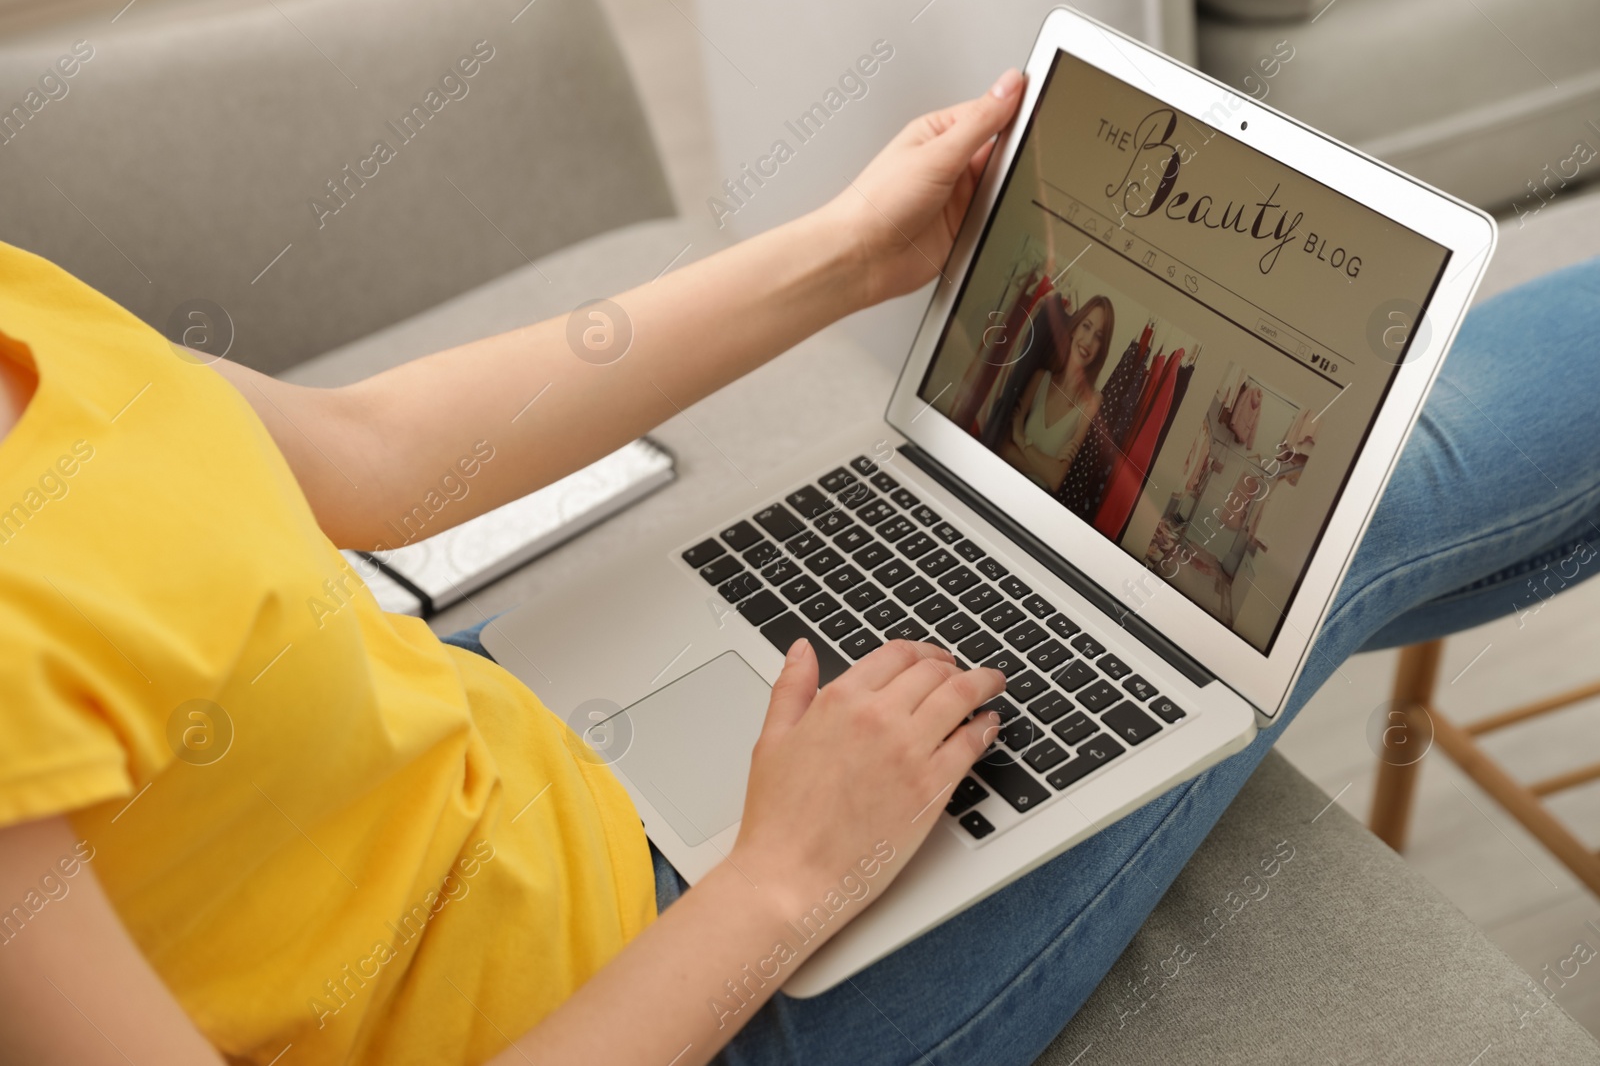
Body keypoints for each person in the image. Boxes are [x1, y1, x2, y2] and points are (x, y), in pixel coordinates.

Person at [2, 64, 1599, 1066]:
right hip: (673, 990)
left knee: (1285, 571)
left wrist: (849, 252)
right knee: (1369, 513)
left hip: (525, 728)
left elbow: (367, 456)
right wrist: (782, 876)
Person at [998, 294, 1113, 492]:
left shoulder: (1092, 401)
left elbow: (1058, 478)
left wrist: (1020, 439)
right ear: (1075, 328)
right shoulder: (1039, 379)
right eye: (1086, 326)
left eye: (1098, 336)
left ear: (1102, 349)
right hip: (1001, 485)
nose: (1088, 340)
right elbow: (1002, 448)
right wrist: (1047, 467)